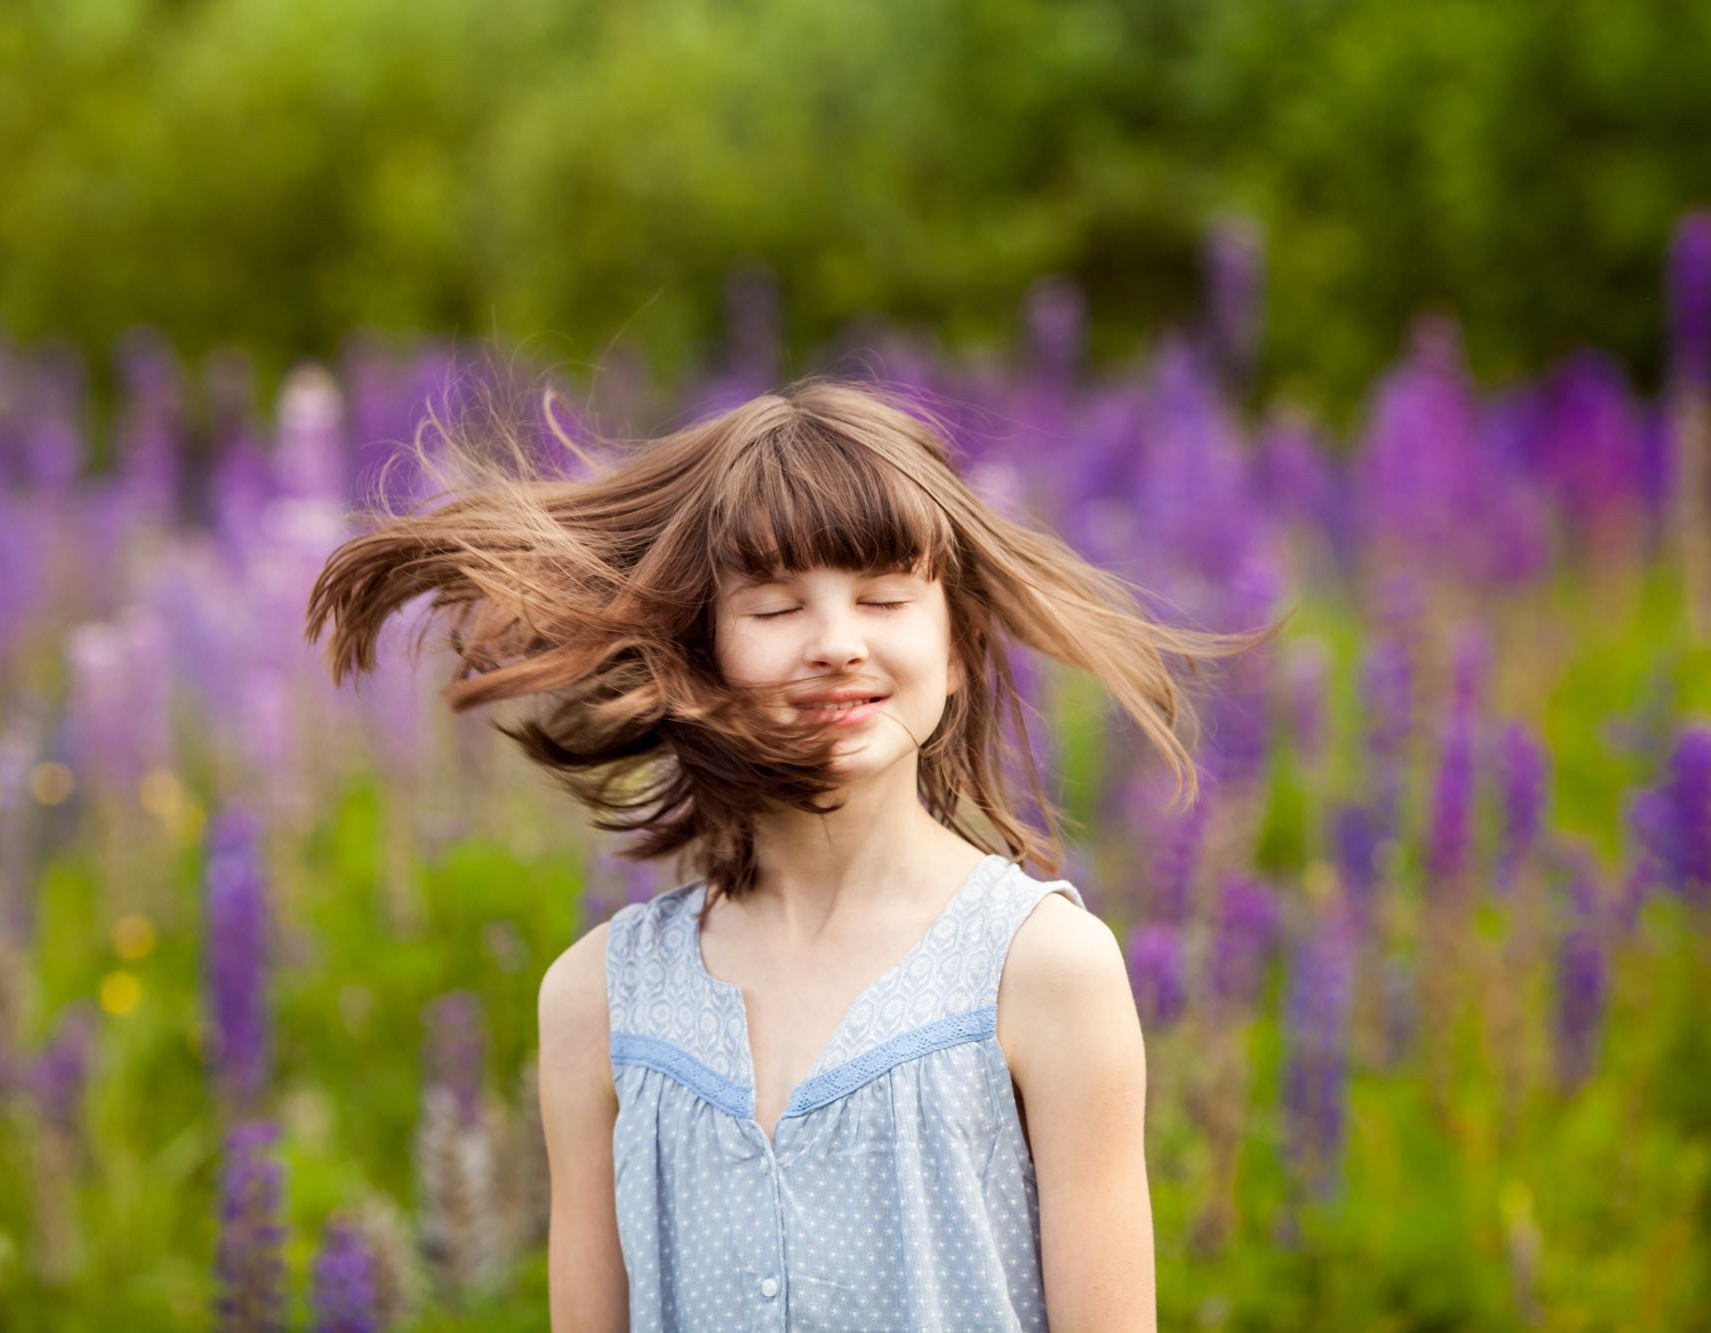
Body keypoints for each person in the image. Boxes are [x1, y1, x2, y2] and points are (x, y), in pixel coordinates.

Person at [305, 376, 1284, 1330]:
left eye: (884, 598)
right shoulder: (599, 1001)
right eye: (774, 608)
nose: (836, 643)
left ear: (954, 647)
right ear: (699, 648)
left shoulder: (1040, 969)